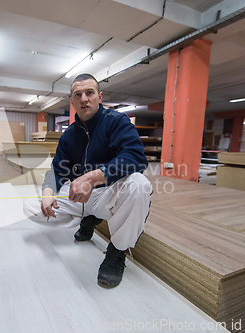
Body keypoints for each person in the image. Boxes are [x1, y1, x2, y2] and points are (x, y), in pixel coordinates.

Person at [23, 73, 152, 288]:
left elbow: (136, 157)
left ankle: (117, 252)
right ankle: (87, 219)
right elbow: (56, 170)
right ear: (72, 101)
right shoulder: (68, 136)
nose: (84, 98)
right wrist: (48, 193)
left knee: (139, 184)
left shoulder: (116, 122)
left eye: (89, 93)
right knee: (31, 207)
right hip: (79, 198)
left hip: (108, 193)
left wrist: (93, 177)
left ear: (99, 97)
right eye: (78, 94)